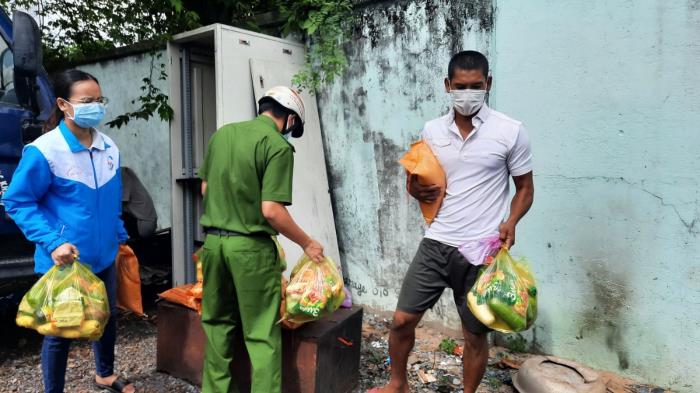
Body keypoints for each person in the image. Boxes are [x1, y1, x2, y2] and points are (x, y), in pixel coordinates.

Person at [370, 51, 535, 393]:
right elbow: (419, 183)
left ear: (488, 83)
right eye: (460, 86)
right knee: (402, 320)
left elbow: (525, 189)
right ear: (448, 85)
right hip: (436, 242)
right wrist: (416, 189)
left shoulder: (510, 131)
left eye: (476, 86)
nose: (468, 93)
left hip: (480, 250)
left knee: (474, 335)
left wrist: (512, 221)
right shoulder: (431, 130)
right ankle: (398, 383)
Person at [2, 70, 135, 393]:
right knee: (59, 332)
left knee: (106, 317)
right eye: (87, 101)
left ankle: (104, 373)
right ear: (63, 104)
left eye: (99, 101)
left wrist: (119, 236)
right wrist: (53, 241)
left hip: (104, 255)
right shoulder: (45, 151)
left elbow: (112, 199)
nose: (96, 107)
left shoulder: (109, 148)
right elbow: (17, 201)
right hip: (64, 260)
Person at [198, 86, 325, 393]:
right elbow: (271, 211)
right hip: (250, 251)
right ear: (291, 119)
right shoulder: (277, 147)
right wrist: (307, 242)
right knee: (261, 334)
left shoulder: (222, 135)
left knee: (216, 326)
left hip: (213, 246)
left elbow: (205, 189)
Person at [121, 166, 157, 238]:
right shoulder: (123, 172)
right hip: (143, 222)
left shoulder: (122, 174)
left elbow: (118, 205)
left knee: (112, 216)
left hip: (142, 224)